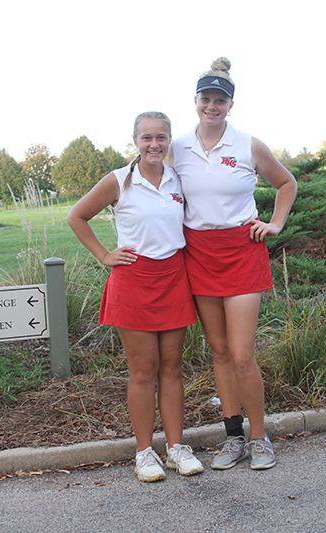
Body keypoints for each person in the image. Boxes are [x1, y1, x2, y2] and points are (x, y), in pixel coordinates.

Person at [168, 58, 298, 471]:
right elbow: (153, 191)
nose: (212, 105)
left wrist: (274, 223)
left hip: (241, 251)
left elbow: (286, 182)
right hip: (199, 253)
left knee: (242, 354)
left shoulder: (248, 145)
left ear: (230, 104)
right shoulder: (177, 149)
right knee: (220, 352)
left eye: (220, 99)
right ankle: (234, 437)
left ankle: (260, 438)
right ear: (195, 101)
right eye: (206, 98)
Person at [67, 111, 203, 483]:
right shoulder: (118, 180)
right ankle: (145, 452)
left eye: (161, 137)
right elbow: (77, 216)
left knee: (172, 368)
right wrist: (104, 255)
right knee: (144, 370)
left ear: (169, 139)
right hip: (133, 282)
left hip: (174, 278)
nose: (154, 144)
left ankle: (176, 447)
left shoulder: (180, 178)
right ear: (136, 141)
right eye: (147, 138)